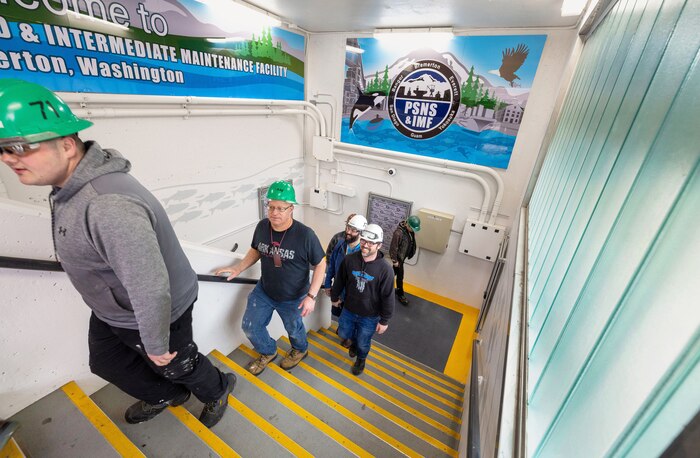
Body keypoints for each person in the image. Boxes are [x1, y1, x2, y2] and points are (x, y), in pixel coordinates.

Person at [0, 79, 235, 428]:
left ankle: (217, 388)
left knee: (175, 361)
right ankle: (168, 394)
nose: (9, 158)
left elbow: (150, 287)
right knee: (106, 362)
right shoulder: (70, 187)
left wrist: (156, 343)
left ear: (66, 145)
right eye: (2, 149)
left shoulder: (107, 206)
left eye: (20, 146)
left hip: (155, 311)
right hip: (116, 308)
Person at [215, 181, 326, 376]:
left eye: (281, 208)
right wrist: (238, 268)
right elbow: (256, 250)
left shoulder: (305, 235)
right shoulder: (262, 227)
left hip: (294, 298)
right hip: (264, 291)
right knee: (250, 326)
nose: (274, 212)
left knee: (294, 329)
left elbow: (321, 264)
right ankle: (268, 351)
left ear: (291, 209)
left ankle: (300, 349)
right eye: (271, 207)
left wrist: (312, 296)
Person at [331, 224, 394, 375]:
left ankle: (361, 359)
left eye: (370, 243)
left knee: (363, 341)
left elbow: (388, 297)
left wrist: (384, 320)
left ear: (379, 245)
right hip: (349, 309)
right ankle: (352, 343)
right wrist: (334, 297)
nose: (365, 245)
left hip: (370, 316)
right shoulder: (349, 260)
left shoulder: (385, 270)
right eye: (363, 241)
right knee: (344, 333)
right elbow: (340, 280)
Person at [323, 214, 367, 317]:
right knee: (338, 314)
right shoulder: (340, 244)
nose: (348, 232)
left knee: (350, 318)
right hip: (338, 290)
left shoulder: (363, 253)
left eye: (353, 230)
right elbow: (332, 265)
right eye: (348, 228)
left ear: (361, 232)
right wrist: (328, 284)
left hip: (353, 295)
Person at [389, 215, 421, 306]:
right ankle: (400, 294)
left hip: (402, 258)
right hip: (398, 259)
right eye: (412, 229)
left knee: (391, 274)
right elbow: (393, 248)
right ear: (408, 225)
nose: (413, 231)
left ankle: (382, 287)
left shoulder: (409, 231)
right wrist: (395, 261)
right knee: (400, 276)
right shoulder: (398, 233)